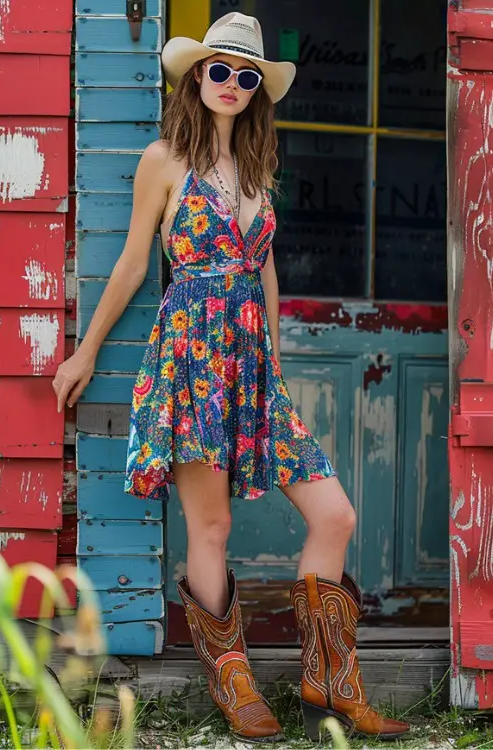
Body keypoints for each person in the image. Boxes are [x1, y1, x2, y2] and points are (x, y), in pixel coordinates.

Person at [52, 12, 409, 744]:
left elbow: (265, 267)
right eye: (221, 71)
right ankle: (235, 686)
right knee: (209, 524)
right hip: (192, 357)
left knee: (333, 513)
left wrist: (270, 360)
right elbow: (131, 264)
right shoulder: (163, 160)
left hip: (253, 367)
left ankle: (332, 686)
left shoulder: (254, 167)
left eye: (248, 77)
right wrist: (85, 352)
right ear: (195, 77)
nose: (234, 86)